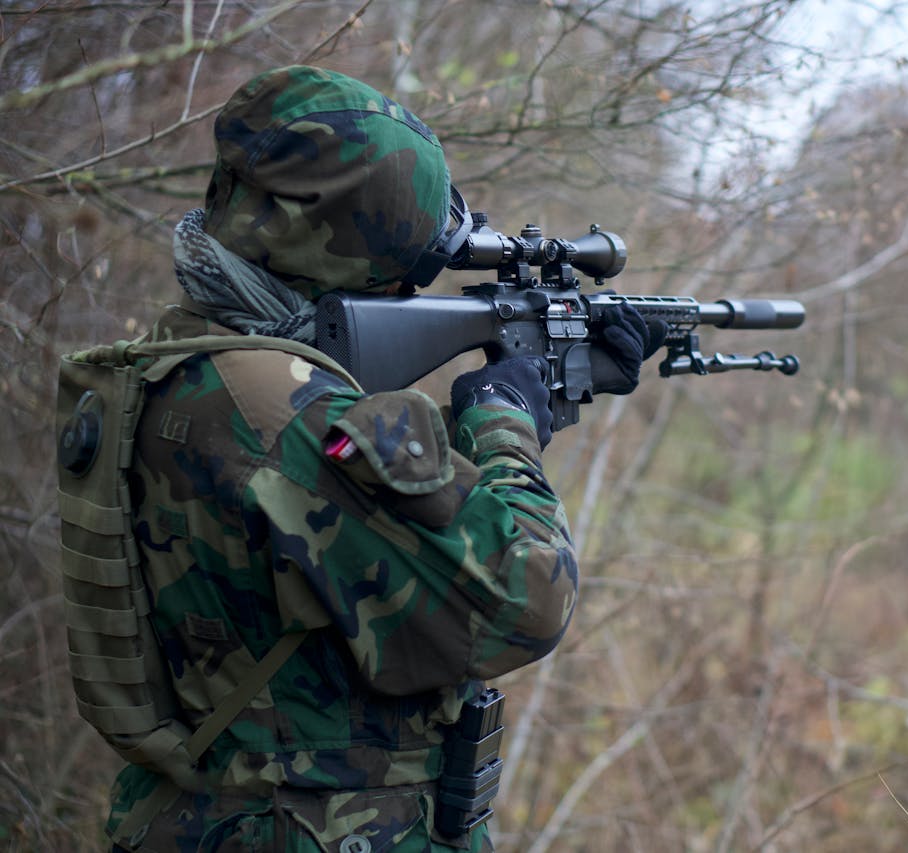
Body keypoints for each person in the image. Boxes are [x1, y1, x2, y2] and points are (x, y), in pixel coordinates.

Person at [96, 65, 661, 852]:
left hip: (192, 815)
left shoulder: (178, 367)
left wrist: (518, 407)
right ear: (360, 248)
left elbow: (335, 527)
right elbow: (526, 599)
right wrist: (505, 425)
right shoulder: (285, 415)